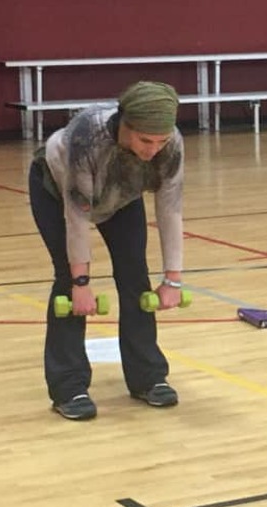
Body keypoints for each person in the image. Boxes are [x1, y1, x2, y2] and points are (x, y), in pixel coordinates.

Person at [29, 81, 186, 420]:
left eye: (161, 141)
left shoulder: (170, 144)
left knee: (134, 276)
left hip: (120, 196)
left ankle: (148, 377)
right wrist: (81, 283)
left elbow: (170, 209)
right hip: (58, 192)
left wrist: (172, 279)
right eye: (145, 140)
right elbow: (77, 216)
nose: (153, 150)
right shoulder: (87, 139)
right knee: (68, 285)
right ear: (125, 124)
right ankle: (68, 386)